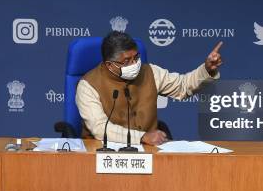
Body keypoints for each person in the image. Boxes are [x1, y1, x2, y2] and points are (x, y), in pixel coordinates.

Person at [76, 31, 222, 145]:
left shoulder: (151, 72)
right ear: (109, 65)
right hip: (103, 152)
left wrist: (207, 69)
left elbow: (183, 86)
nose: (134, 64)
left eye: (136, 57)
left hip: (148, 151)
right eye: (127, 61)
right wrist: (143, 137)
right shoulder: (88, 85)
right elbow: (100, 128)